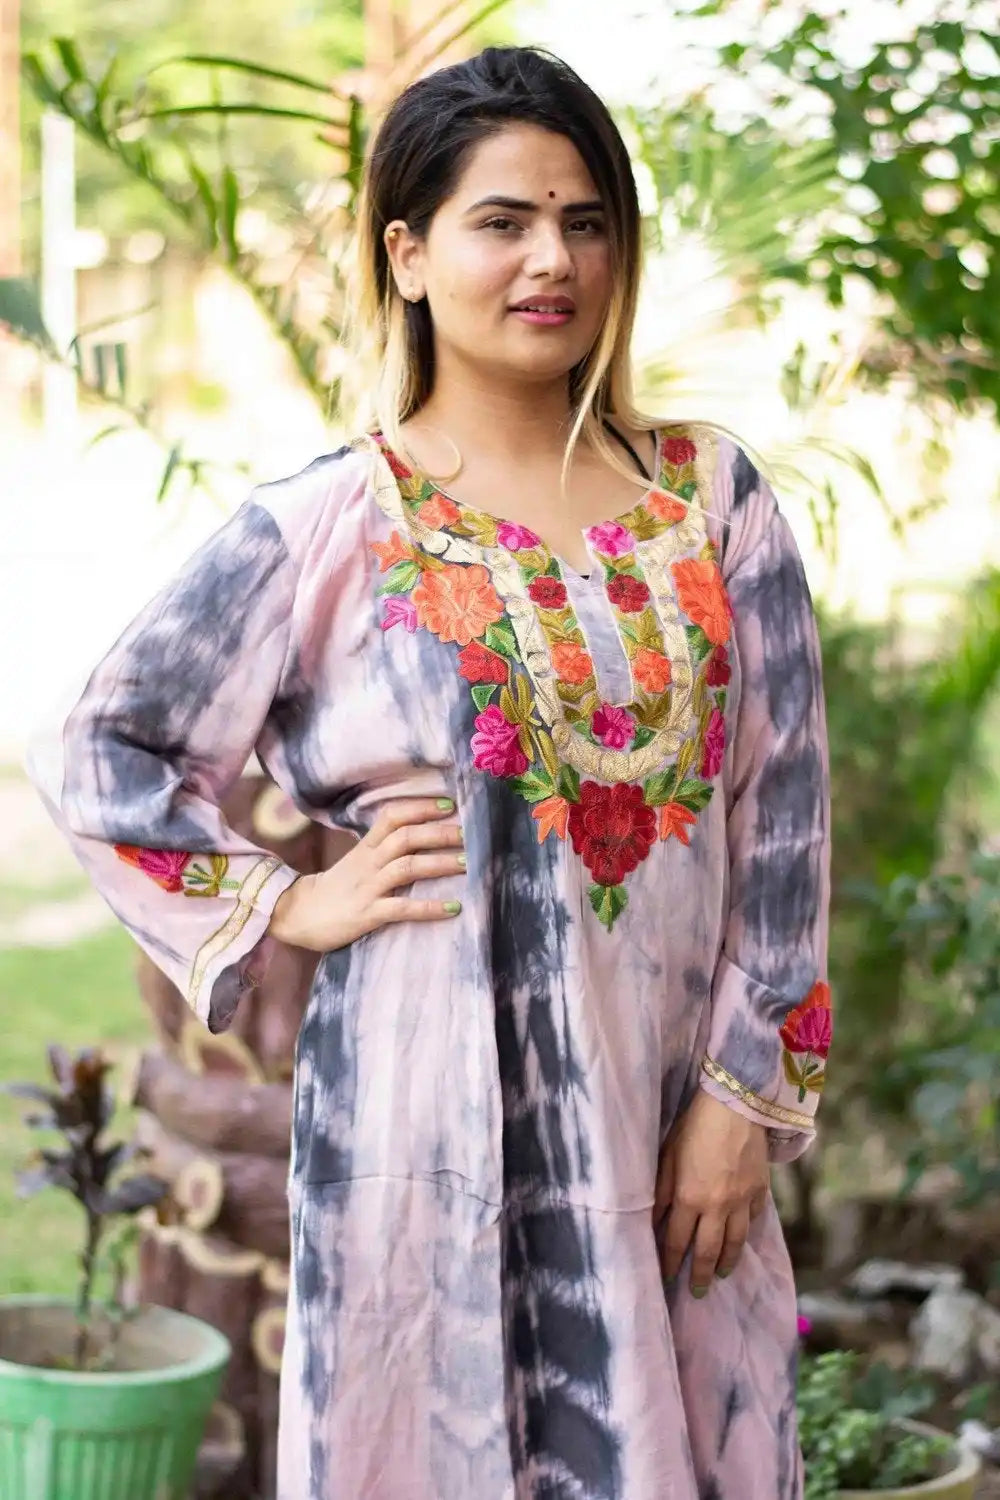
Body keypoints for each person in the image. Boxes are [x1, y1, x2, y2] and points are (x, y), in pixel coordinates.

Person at [27, 44, 831, 1500]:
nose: (553, 261)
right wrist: (286, 904)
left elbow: (784, 826)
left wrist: (740, 1098)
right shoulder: (335, 522)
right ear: (407, 254)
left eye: (586, 223)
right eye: (502, 222)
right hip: (423, 1113)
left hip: (673, 1116)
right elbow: (99, 747)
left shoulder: (712, 502)